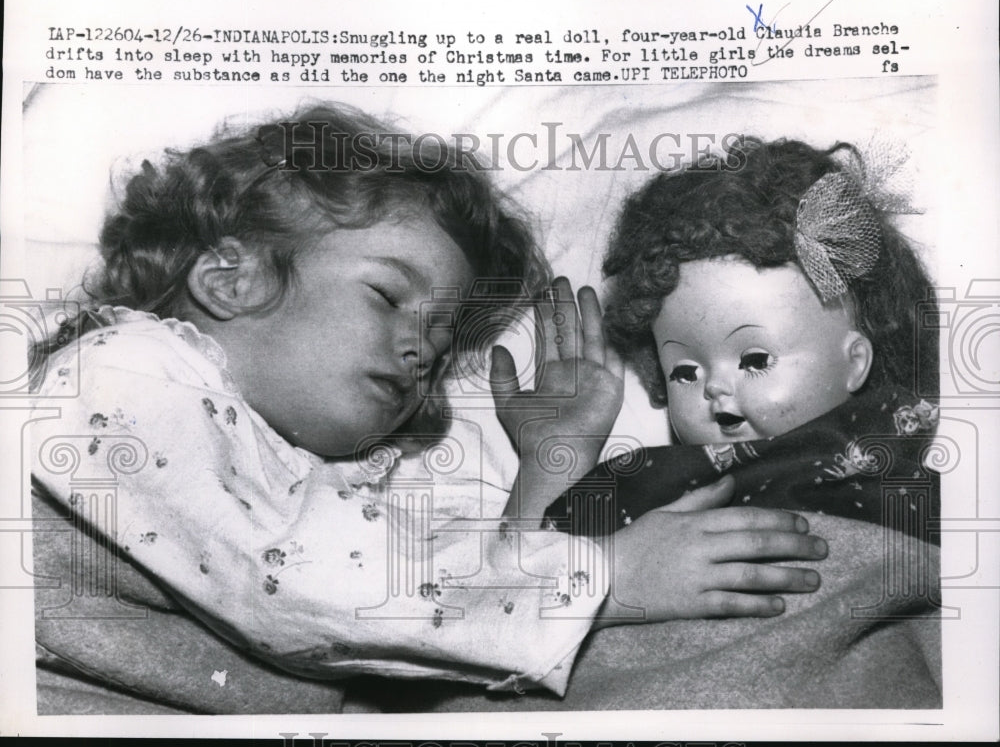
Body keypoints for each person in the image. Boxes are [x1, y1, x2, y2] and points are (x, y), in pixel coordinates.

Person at [29, 107, 828, 701]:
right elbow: (307, 584)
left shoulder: (314, 468)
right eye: (387, 295)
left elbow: (439, 615)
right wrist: (606, 578)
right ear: (229, 280)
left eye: (442, 343)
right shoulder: (125, 374)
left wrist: (549, 465)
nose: (422, 351)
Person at [545, 137, 941, 543]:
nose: (715, 386)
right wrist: (556, 458)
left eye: (754, 361)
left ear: (855, 362)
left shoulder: (909, 484)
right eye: (685, 373)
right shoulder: (653, 485)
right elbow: (530, 565)